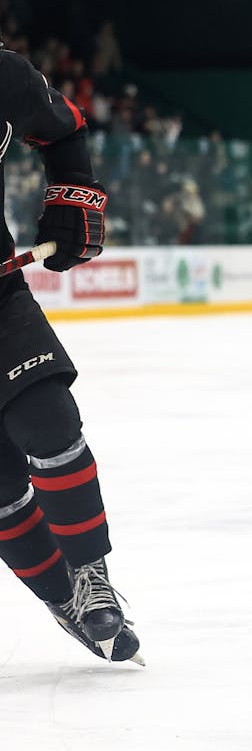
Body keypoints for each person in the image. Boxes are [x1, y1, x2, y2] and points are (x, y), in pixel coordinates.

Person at [0, 44, 141, 664]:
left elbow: (66, 129)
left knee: (49, 419)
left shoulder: (3, 76)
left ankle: (91, 579)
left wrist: (70, 205)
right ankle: (62, 598)